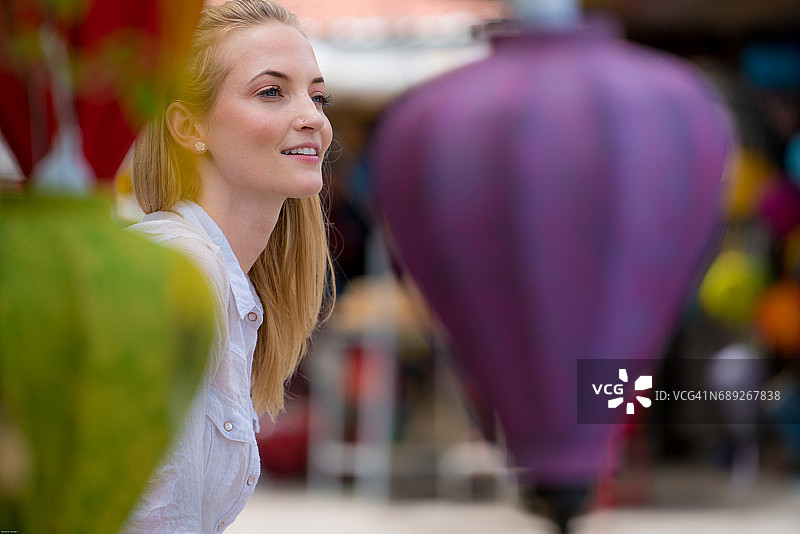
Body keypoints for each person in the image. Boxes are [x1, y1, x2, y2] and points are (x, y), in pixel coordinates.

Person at [121, 0, 334, 531]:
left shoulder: (214, 275)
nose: (313, 117)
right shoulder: (178, 272)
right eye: (271, 92)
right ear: (188, 125)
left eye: (317, 94)